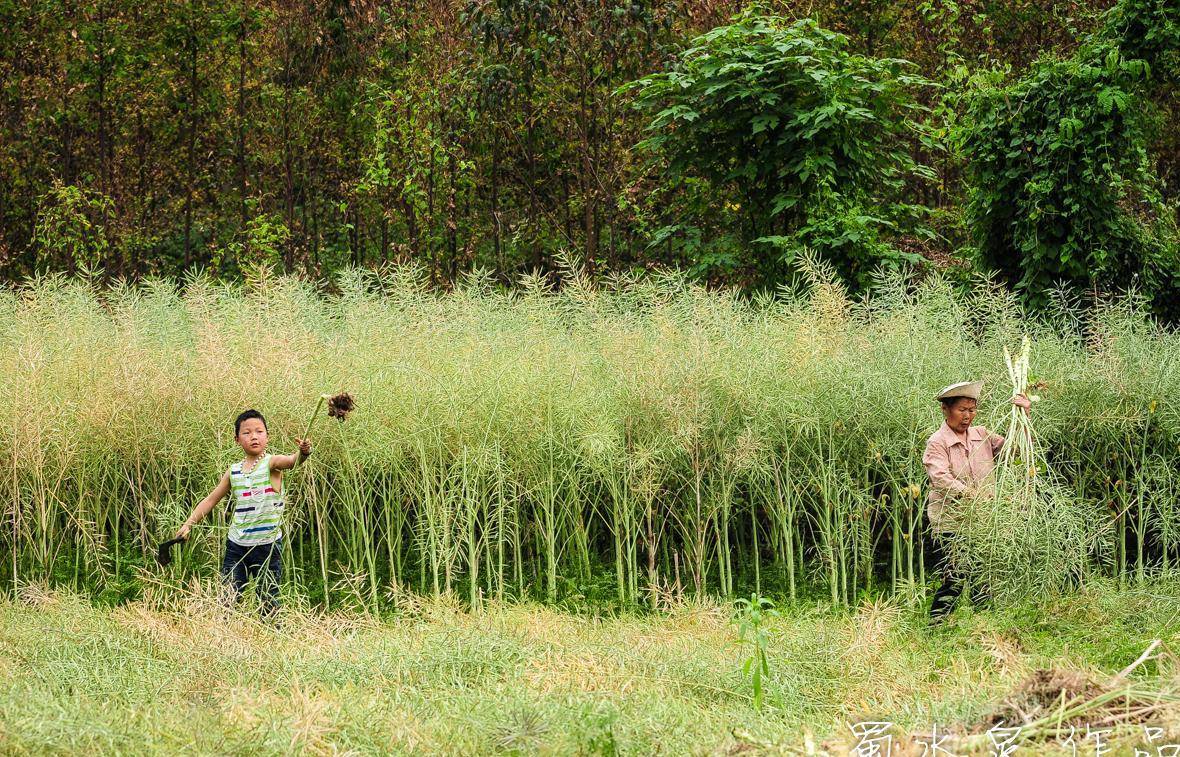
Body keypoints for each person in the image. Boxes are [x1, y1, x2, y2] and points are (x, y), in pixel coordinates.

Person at [177, 409, 311, 616]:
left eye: (259, 431)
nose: (254, 436)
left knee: (268, 600)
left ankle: (272, 639)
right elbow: (211, 500)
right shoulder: (234, 471)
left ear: (267, 435)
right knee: (228, 598)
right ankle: (227, 640)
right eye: (247, 433)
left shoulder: (271, 463)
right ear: (237, 439)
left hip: (267, 546)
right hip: (236, 545)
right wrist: (188, 523)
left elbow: (293, 461)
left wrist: (304, 452)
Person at [922, 381, 1030, 620]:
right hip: (952, 522)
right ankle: (936, 627)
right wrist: (974, 495)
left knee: (984, 578)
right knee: (955, 578)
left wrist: (1024, 416)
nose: (968, 416)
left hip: (982, 521)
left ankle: (982, 629)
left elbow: (1016, 451)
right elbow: (940, 478)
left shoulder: (982, 434)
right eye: (962, 409)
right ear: (946, 409)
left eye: (972, 410)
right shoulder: (937, 442)